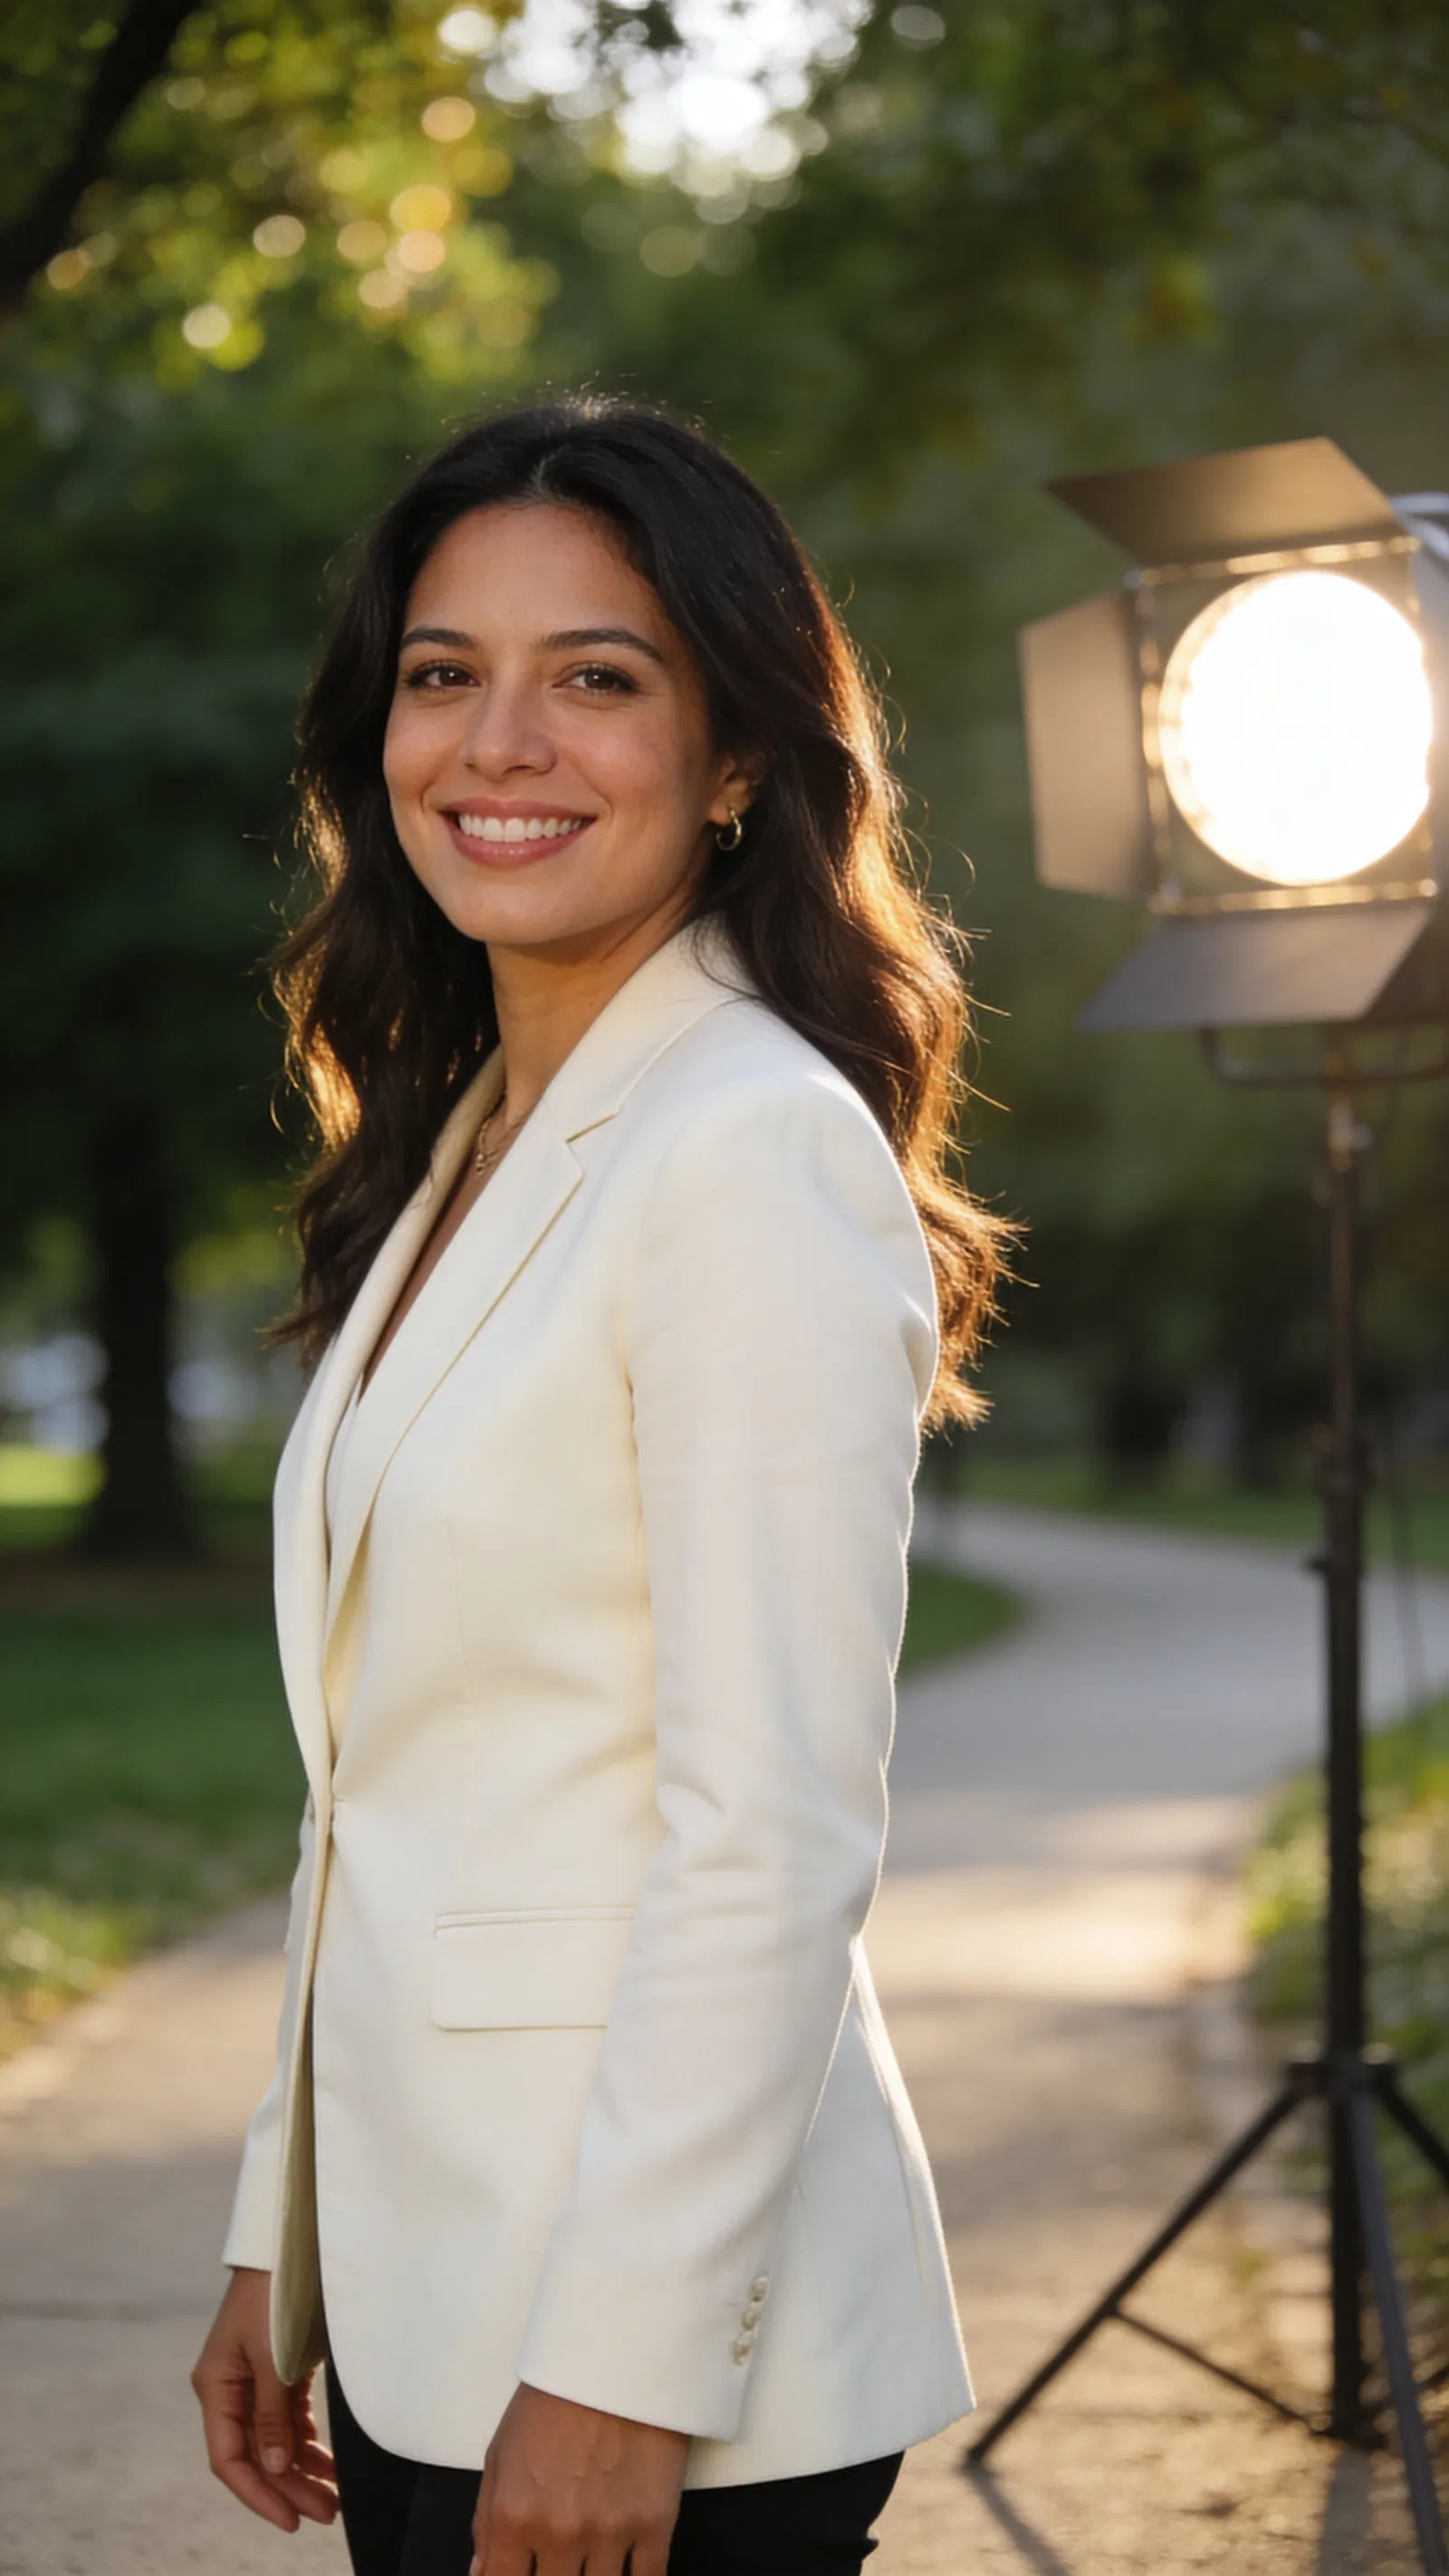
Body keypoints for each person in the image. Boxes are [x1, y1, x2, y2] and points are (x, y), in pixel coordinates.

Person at [191, 396, 1004, 2576]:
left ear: (735, 756)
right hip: (438, 2282)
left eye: (599, 676)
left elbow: (770, 1826)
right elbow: (389, 1781)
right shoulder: (466, 1145)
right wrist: (293, 2231)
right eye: (444, 674)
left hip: (636, 2353)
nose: (499, 741)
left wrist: (625, 2365)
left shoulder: (744, 1144)